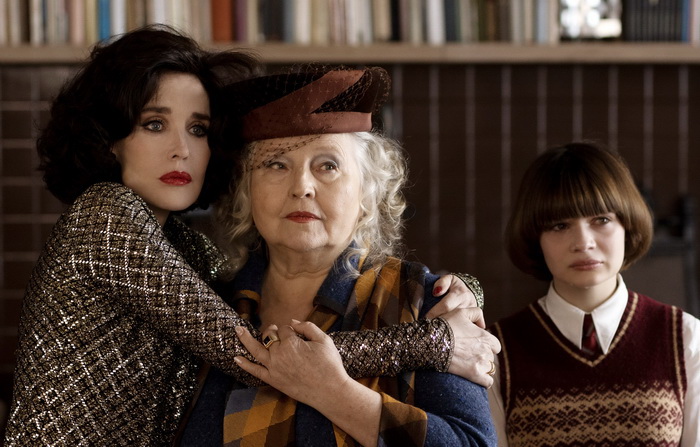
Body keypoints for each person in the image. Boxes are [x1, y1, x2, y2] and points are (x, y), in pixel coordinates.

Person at [4, 27, 496, 446]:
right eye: (154, 124)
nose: (181, 150)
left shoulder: (193, 256)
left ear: (368, 193)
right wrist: (433, 341)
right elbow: (264, 355)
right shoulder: (107, 218)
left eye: (198, 129)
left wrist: (452, 293)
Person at [180, 65, 500, 446]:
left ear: (367, 193)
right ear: (247, 191)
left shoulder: (423, 305)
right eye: (276, 164)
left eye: (327, 165)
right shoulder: (205, 304)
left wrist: (333, 392)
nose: (302, 186)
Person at [488, 143, 700, 446]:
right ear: (536, 239)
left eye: (601, 220)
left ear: (627, 224)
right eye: (560, 225)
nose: (583, 242)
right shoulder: (497, 352)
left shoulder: (685, 338)